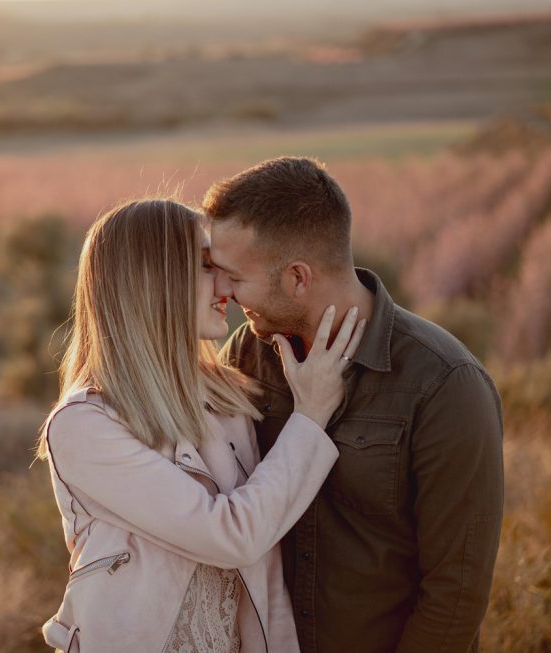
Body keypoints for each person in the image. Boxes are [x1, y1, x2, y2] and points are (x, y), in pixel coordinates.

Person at [37, 198, 367, 653]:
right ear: (156, 280)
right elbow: (232, 536)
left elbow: (265, 574)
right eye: (207, 265)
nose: (226, 284)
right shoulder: (84, 426)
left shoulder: (227, 397)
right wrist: (310, 417)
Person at [205, 157, 504, 653]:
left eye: (234, 276)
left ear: (298, 278)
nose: (223, 291)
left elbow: (456, 593)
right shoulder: (245, 356)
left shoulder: (446, 384)